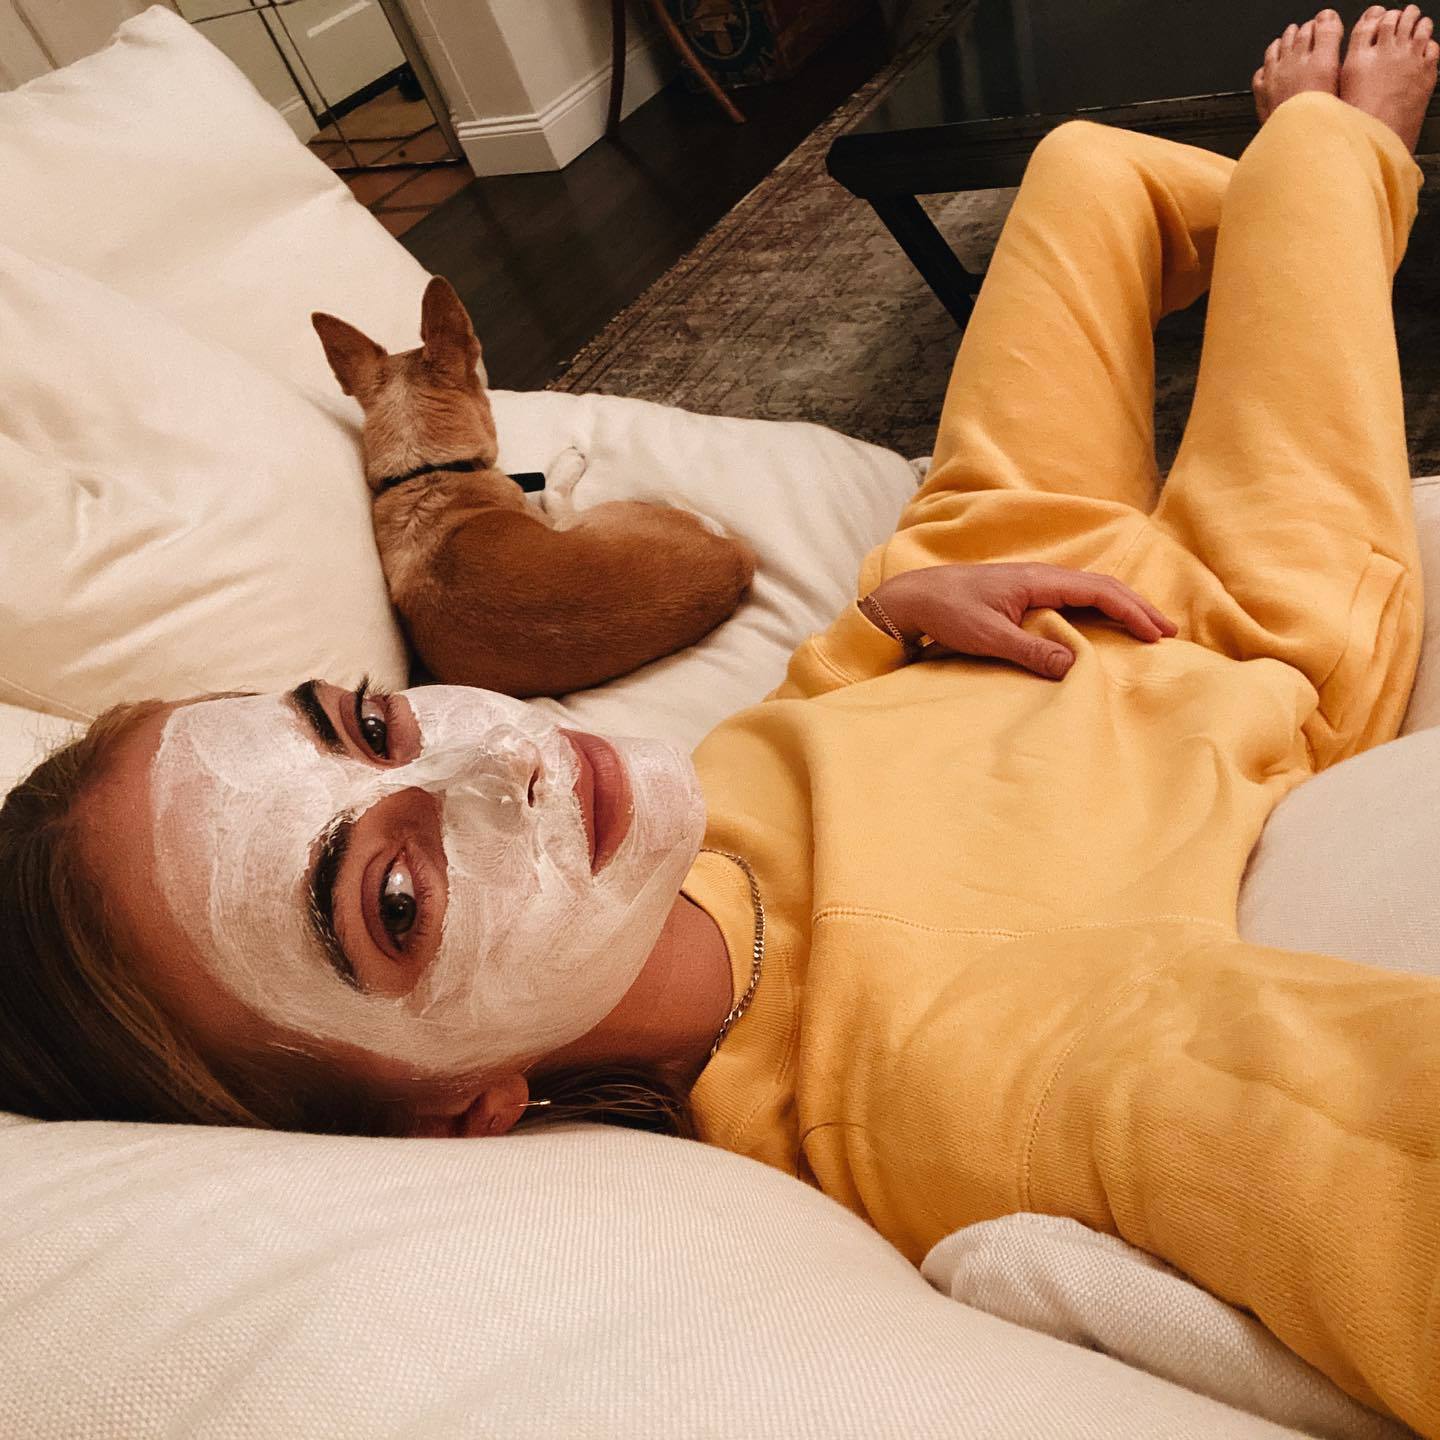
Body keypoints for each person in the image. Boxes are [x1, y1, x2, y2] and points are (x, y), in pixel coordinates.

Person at [2, 5, 1438, 1431]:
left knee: (1082, 165)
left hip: (967, 573)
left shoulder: (637, 838)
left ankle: (1279, 210)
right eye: (395, 898)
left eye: (369, 727)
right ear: (457, 1111)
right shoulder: (943, 1080)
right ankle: (1341, 166)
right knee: (1317, 149)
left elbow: (813, 729)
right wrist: (1319, 176)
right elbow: (1352, 1136)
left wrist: (894, 617)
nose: (502, 754)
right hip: (1229, 619)